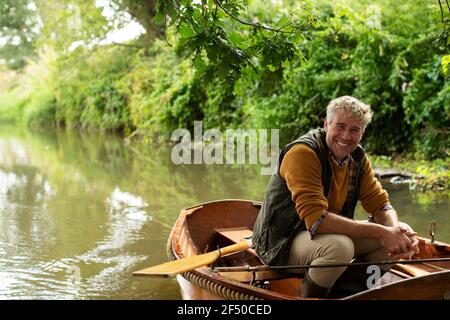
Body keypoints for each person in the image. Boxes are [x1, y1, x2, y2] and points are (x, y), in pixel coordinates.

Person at [252, 95, 419, 298]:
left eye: (354, 130)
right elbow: (316, 221)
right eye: (340, 126)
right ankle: (311, 296)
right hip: (281, 241)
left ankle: (345, 294)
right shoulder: (303, 153)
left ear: (362, 133)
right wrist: (381, 232)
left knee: (400, 240)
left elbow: (380, 205)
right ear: (326, 124)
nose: (346, 136)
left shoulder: (357, 158)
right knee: (340, 248)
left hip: (324, 236)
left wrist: (395, 230)